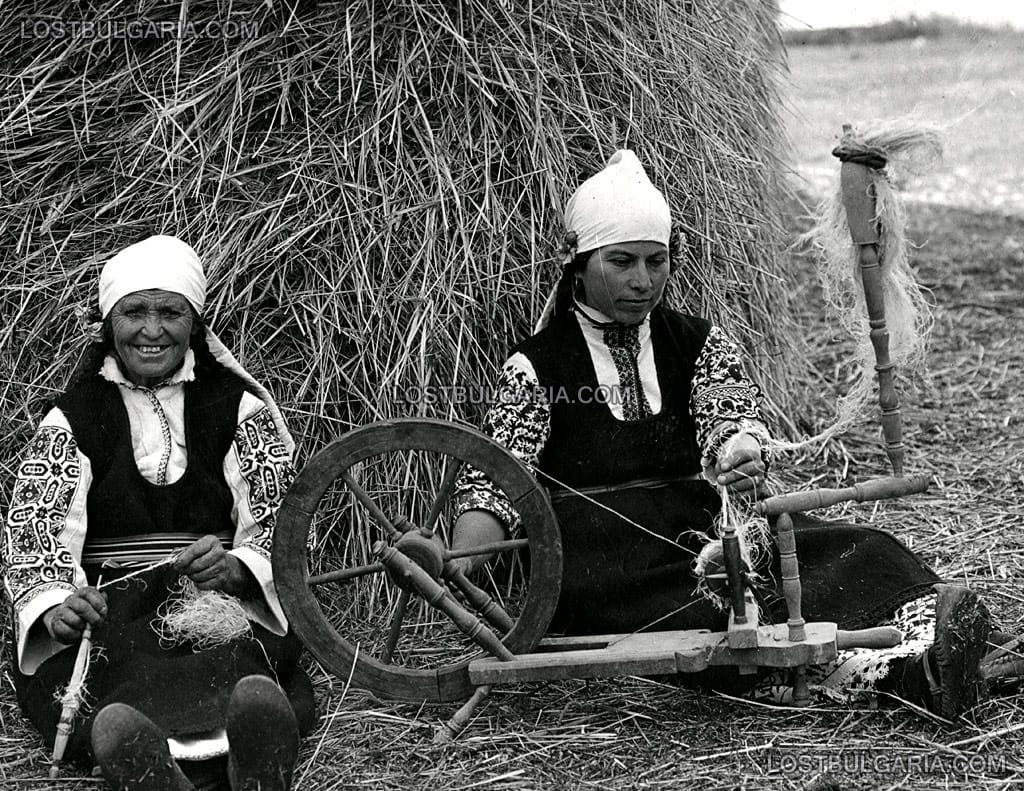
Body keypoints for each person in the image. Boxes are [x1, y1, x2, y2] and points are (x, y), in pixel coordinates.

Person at [449, 150, 1010, 719]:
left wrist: (740, 451)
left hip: (700, 529)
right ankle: (910, 676)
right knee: (726, 620)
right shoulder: (536, 367)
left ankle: (958, 651)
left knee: (864, 552)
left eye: (656, 261)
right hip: (606, 566)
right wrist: (455, 558)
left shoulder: (697, 342)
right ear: (578, 262)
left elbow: (729, 416)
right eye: (622, 262)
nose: (643, 282)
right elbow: (497, 486)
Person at [1, 236, 315, 790]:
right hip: (113, 614)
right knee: (118, 667)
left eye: (170, 312)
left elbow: (282, 525)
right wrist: (57, 608)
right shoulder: (74, 418)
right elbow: (34, 534)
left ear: (195, 321)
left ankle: (249, 750)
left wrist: (240, 568)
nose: (151, 330)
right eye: (134, 312)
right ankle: (143, 756)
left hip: (212, 604)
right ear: (108, 321)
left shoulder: (238, 408)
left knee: (238, 658)